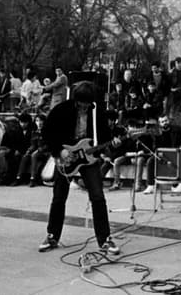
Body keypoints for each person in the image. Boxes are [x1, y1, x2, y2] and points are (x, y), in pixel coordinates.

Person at [38, 81, 121, 255]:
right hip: (66, 157)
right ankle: (52, 235)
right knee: (59, 197)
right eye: (81, 104)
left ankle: (105, 239)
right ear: (76, 100)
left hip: (88, 159)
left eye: (87, 104)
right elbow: (47, 132)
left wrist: (113, 144)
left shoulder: (97, 112)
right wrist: (59, 151)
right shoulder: (62, 109)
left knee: (98, 197)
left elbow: (104, 136)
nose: (84, 108)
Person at [141, 114, 181, 194]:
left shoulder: (177, 129)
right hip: (163, 154)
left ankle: (179, 185)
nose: (165, 123)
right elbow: (155, 147)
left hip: (176, 153)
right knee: (150, 161)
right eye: (162, 122)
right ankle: (150, 185)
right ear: (160, 123)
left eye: (166, 120)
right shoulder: (157, 133)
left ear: (169, 120)